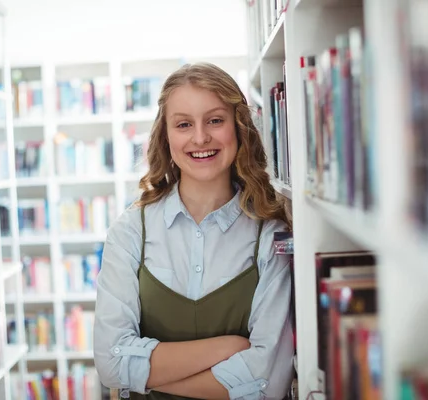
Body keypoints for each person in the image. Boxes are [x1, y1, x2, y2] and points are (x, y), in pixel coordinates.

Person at [94, 62, 294, 400]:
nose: (200, 137)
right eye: (184, 124)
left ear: (239, 127)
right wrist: (229, 347)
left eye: (215, 120)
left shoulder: (270, 234)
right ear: (166, 135)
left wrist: (143, 376)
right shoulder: (130, 231)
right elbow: (110, 363)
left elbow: (267, 382)